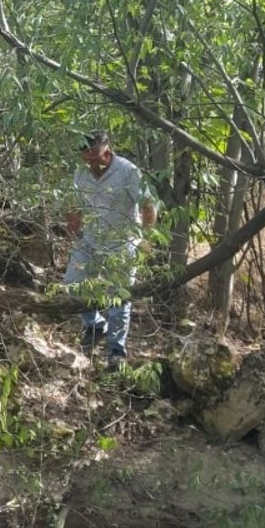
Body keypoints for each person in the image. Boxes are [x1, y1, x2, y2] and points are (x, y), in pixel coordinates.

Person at [63, 129, 157, 368]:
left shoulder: (128, 171)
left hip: (122, 243)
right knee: (72, 285)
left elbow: (148, 205)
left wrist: (146, 238)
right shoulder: (80, 173)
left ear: (107, 150)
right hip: (90, 240)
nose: (93, 162)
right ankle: (95, 325)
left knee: (119, 299)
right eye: (88, 158)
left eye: (97, 156)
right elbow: (73, 204)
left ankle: (116, 351)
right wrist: (72, 230)